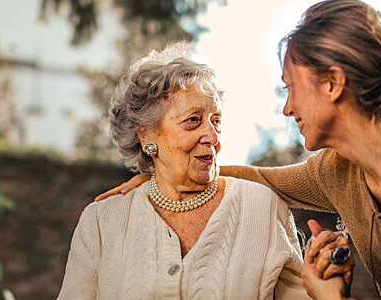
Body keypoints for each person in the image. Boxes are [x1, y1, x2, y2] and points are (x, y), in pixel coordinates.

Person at [95, 1, 381, 299]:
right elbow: (259, 178)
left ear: (332, 83)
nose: (287, 107)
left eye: (291, 86)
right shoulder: (339, 169)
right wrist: (160, 171)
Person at [57, 44, 352, 299]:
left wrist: (326, 290)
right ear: (146, 136)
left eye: (216, 121)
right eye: (193, 121)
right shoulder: (102, 221)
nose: (212, 136)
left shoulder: (263, 208)